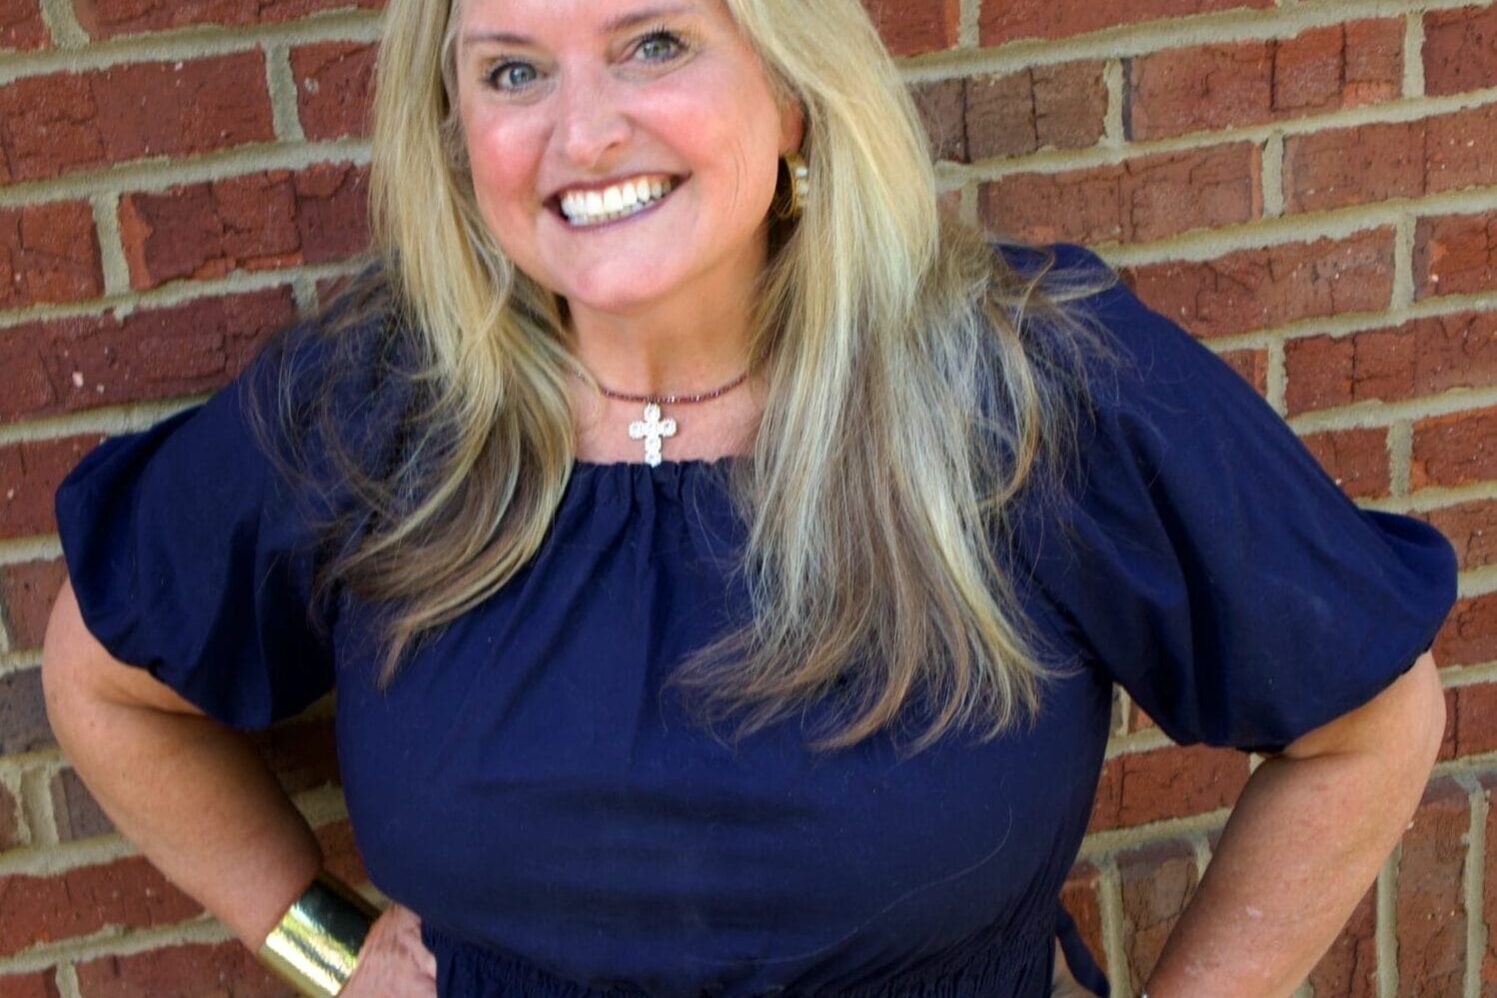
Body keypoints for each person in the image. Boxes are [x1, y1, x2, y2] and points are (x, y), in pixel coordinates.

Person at [40, 0, 1455, 995]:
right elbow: (106, 686)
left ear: (789, 91)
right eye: (511, 72)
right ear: (454, 129)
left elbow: (1365, 727)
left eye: (653, 43)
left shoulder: (1027, 393)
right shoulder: (378, 410)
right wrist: (322, 946)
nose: (582, 131)